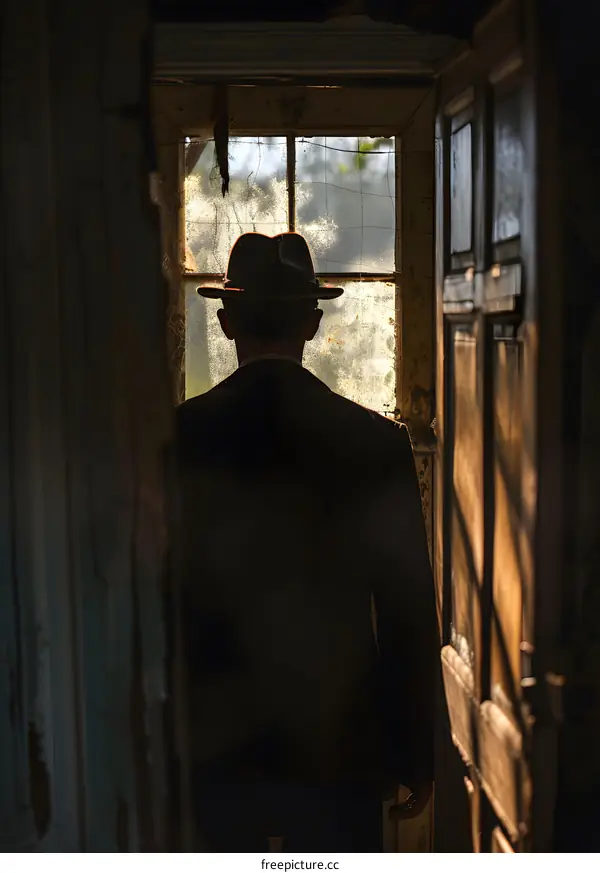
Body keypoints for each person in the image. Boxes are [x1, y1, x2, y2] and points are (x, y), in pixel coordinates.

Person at [174, 232, 437, 852]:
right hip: (338, 748)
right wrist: (414, 751)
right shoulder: (373, 442)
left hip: (211, 746)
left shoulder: (176, 437)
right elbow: (406, 612)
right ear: (314, 323)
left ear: (226, 320)